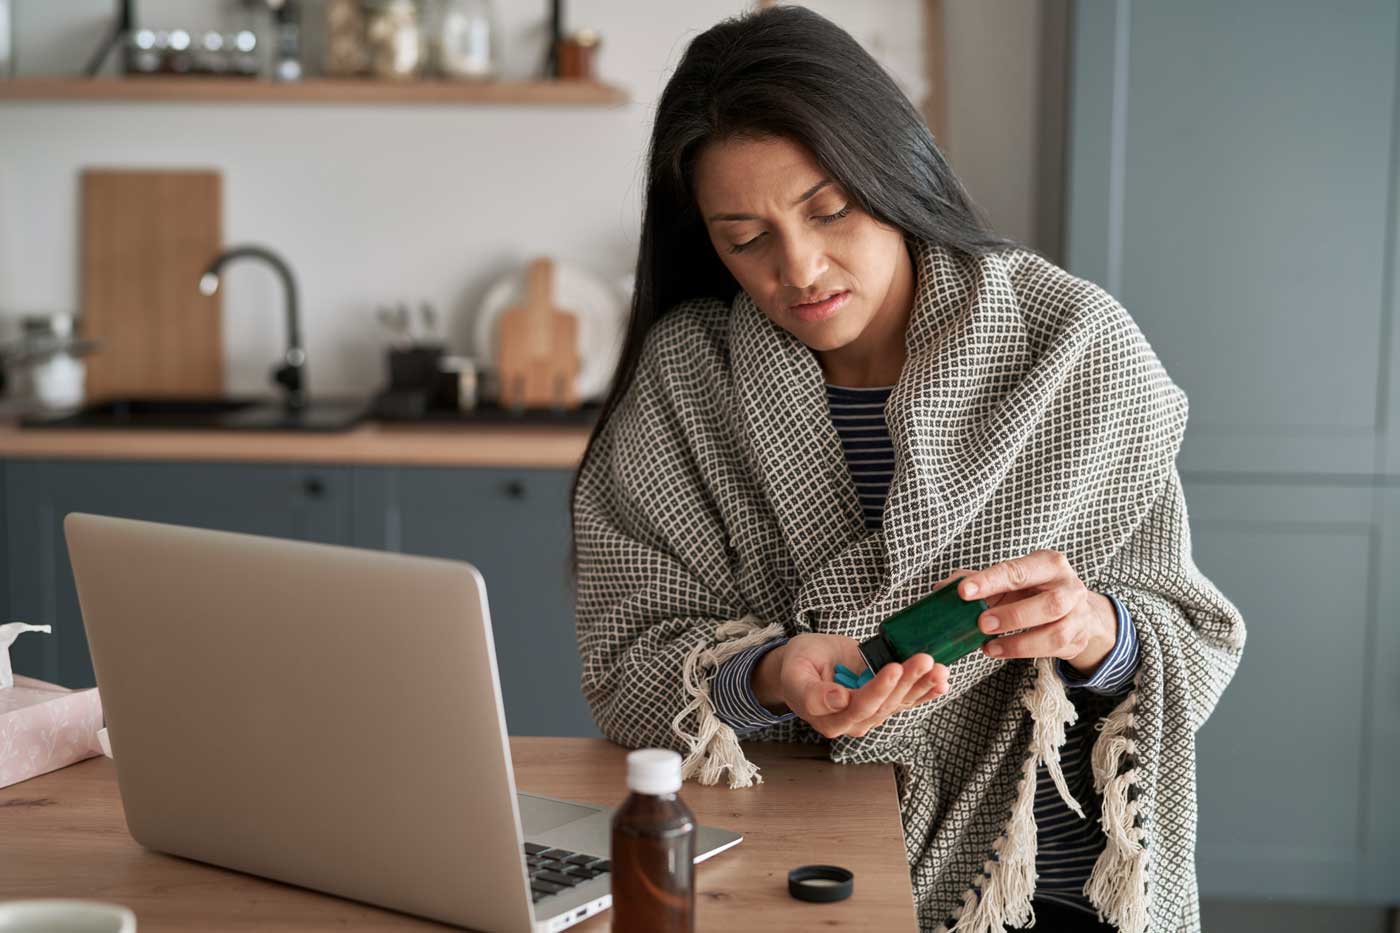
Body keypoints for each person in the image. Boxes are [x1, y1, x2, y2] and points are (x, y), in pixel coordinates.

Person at [570, 7, 1245, 932]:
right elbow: (624, 660)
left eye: (829, 209)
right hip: (794, 861)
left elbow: (1194, 642)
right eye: (745, 236)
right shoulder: (691, 381)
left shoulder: (1072, 350)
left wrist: (1094, 629)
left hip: (1045, 878)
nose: (798, 268)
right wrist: (768, 673)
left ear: (892, 172)